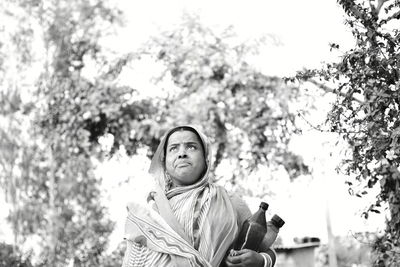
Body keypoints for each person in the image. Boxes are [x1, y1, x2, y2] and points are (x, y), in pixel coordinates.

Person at [122, 125, 276, 267]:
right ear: (164, 162)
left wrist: (261, 261)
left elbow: (266, 250)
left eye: (191, 147)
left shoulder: (229, 202)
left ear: (205, 158)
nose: (182, 153)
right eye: (173, 149)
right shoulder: (150, 211)